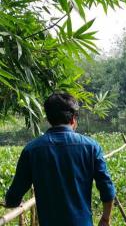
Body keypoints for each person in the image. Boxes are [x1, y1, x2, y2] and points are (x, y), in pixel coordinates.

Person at [5, 93, 116, 226]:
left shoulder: (31, 150)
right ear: (73, 119)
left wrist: (13, 201)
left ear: (48, 119)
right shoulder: (91, 147)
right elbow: (107, 189)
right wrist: (105, 218)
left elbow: (14, 196)